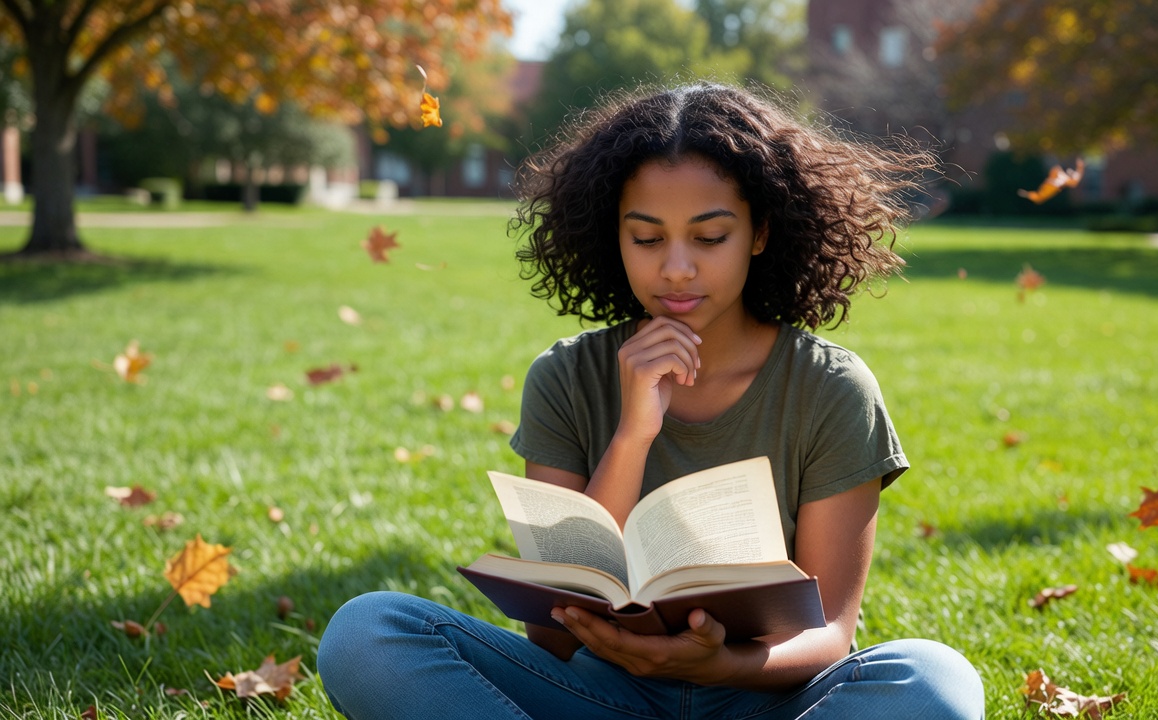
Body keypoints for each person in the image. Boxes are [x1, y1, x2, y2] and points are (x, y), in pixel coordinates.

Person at [317, 82, 985, 719]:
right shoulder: (565, 378)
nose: (676, 268)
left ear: (760, 232)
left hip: (769, 700)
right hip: (594, 699)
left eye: (709, 236)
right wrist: (633, 434)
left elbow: (831, 635)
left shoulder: (832, 389)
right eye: (647, 237)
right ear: (615, 236)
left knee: (934, 680)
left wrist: (722, 666)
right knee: (367, 632)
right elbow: (552, 634)